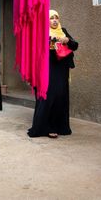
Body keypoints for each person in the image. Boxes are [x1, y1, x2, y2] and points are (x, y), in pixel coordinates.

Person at [27, 10, 78, 138]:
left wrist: (67, 40)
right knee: (48, 96)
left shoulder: (63, 31)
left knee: (60, 96)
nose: (54, 20)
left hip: (61, 69)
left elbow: (75, 45)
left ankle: (59, 126)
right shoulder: (42, 32)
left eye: (56, 18)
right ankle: (46, 127)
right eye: (51, 18)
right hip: (46, 68)